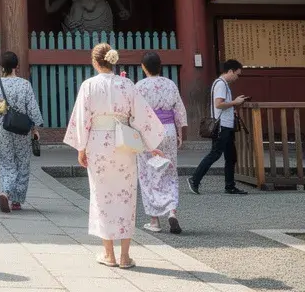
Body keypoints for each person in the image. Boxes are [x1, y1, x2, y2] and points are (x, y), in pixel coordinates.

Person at [63, 43, 166, 269]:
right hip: (124, 143)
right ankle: (125, 256)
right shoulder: (127, 84)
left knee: (102, 197)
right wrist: (151, 145)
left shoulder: (89, 85)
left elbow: (82, 119)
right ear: (113, 60)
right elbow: (141, 116)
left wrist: (81, 147)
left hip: (98, 144)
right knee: (126, 197)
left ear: (94, 62)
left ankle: (108, 254)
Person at [0, 50, 44, 213]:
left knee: (6, 162)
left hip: (3, 127)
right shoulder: (24, 84)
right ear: (17, 66)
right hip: (21, 128)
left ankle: (5, 191)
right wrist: (35, 127)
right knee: (22, 162)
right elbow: (32, 108)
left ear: (2, 66)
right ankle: (16, 200)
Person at [135, 53, 188, 233]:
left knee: (148, 173)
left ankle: (154, 221)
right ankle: (172, 211)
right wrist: (180, 132)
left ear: (143, 67)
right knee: (169, 170)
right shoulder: (170, 84)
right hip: (169, 130)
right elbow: (179, 109)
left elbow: (135, 113)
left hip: (149, 132)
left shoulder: (140, 86)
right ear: (160, 66)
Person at [189, 59, 248, 196]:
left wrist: (233, 105)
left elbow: (221, 104)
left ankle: (230, 186)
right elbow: (218, 104)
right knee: (215, 154)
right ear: (230, 71)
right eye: (237, 74)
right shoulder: (221, 84)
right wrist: (235, 102)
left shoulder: (222, 84)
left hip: (226, 125)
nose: (237, 78)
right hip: (222, 126)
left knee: (230, 156)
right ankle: (194, 179)